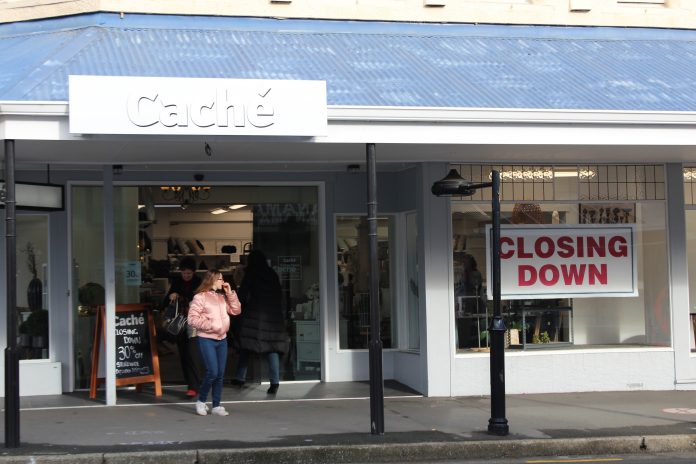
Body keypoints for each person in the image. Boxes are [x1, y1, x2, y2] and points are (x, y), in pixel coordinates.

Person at [232, 250, 288, 395]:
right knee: (272, 348)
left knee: (246, 346)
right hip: (273, 317)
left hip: (254, 316)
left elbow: (242, 295)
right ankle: (274, 382)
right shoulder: (272, 274)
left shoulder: (251, 274)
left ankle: (239, 378)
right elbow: (279, 295)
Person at [187, 269, 241, 416]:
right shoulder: (200, 297)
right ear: (212, 280)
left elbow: (236, 310)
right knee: (213, 372)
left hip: (222, 339)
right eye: (220, 279)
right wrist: (211, 325)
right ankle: (201, 401)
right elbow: (192, 319)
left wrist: (230, 293)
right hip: (206, 339)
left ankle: (216, 405)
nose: (223, 282)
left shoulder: (221, 297)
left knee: (220, 374)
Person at [164, 256, 203, 397]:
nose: (186, 275)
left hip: (194, 324)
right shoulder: (177, 282)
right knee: (183, 355)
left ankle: (194, 386)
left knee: (192, 354)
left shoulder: (199, 283)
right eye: (184, 273)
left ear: (194, 272)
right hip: (180, 324)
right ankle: (191, 384)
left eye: (189, 273)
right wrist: (172, 296)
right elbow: (165, 302)